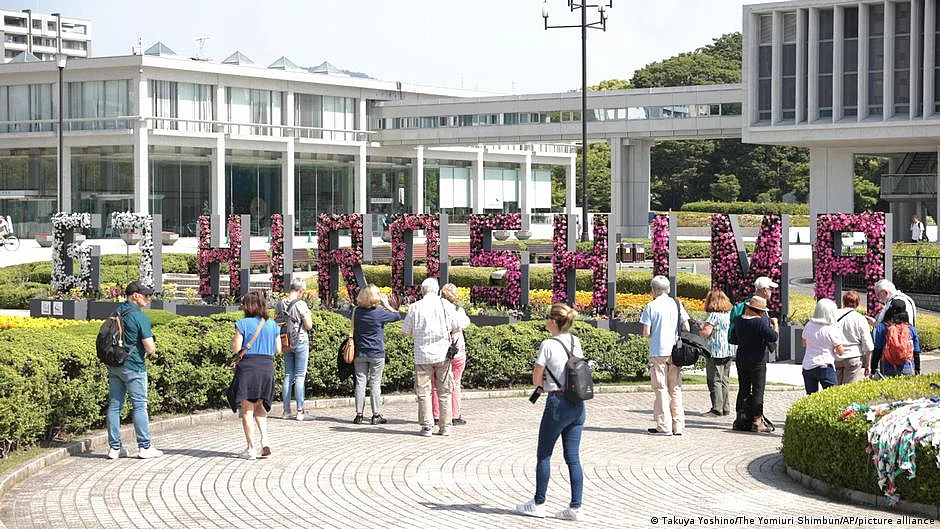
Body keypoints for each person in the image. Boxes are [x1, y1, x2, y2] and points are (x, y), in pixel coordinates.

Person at [515, 303, 585, 521]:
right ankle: (575, 507)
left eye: (547, 318)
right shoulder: (575, 341)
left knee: (544, 454)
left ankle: (539, 503)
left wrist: (539, 386)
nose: (546, 321)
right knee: (573, 457)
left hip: (557, 403)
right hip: (577, 403)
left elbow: (538, 375)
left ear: (554, 322)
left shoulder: (548, 344)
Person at [106, 281, 163, 459]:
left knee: (115, 406)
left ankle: (115, 448)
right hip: (134, 367)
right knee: (139, 405)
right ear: (135, 296)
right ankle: (145, 447)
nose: (148, 298)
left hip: (115, 365)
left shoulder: (116, 312)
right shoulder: (140, 317)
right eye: (146, 295)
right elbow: (150, 348)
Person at [402, 278, 460, 437]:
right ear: (437, 290)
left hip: (422, 355)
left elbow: (406, 331)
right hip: (443, 354)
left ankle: (427, 426)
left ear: (422, 291)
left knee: (423, 392)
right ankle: (445, 426)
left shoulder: (415, 307)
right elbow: (456, 326)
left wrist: (419, 333)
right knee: (444, 392)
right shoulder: (446, 305)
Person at [231, 291, 281, 460]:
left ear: (248, 306)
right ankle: (265, 439)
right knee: (260, 406)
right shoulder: (273, 325)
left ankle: (251, 449)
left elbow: (236, 348)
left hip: (249, 368)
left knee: (247, 410)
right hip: (267, 367)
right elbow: (278, 350)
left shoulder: (242, 323)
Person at [640, 275, 689, 436]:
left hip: (658, 351)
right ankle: (678, 425)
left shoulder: (651, 306)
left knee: (661, 388)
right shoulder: (676, 304)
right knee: (675, 388)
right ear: (667, 289)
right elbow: (686, 326)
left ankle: (664, 425)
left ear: (653, 290)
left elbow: (646, 333)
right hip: (675, 351)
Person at [352, 284, 401, 425]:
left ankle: (359, 414)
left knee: (360, 383)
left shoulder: (357, 311)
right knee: (375, 383)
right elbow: (397, 316)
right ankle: (376, 414)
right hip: (376, 352)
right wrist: (387, 304)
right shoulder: (379, 313)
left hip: (360, 351)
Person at [732, 295, 778, 433]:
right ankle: (757, 421)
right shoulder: (760, 323)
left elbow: (734, 336)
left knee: (743, 389)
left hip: (741, 358)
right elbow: (773, 337)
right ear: (760, 311)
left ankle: (740, 417)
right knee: (758, 390)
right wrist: (775, 324)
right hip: (757, 360)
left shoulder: (739, 320)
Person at [432, 283, 471, 426]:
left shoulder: (436, 311)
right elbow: (465, 323)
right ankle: (455, 415)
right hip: (458, 350)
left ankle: (436, 415)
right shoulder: (458, 311)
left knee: (437, 383)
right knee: (455, 383)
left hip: (440, 350)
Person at [277, 278, 313, 421]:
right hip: (300, 340)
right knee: (299, 376)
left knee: (288, 375)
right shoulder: (301, 304)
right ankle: (300, 411)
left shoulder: (280, 303)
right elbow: (309, 325)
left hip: (285, 341)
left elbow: (277, 322)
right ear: (300, 291)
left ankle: (286, 410)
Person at [869, 279, 919, 375]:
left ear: (885, 292)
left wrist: (873, 369)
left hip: (890, 359)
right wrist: (917, 370)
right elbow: (916, 350)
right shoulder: (907, 300)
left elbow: (878, 348)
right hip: (907, 360)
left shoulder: (894, 302)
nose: (879, 299)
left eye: (879, 295)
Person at [699, 289, 734, 416]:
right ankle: (725, 407)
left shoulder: (714, 316)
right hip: (728, 350)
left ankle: (716, 408)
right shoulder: (729, 314)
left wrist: (700, 331)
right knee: (725, 379)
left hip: (715, 351)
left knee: (714, 380)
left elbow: (706, 332)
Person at [801, 299, 845, 395]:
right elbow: (840, 351)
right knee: (832, 396)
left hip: (808, 365)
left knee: (811, 397)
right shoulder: (831, 329)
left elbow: (804, 343)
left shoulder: (809, 325)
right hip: (825, 366)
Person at [833, 291, 874, 384]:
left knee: (834, 389)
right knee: (848, 389)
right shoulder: (860, 318)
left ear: (843, 302)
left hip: (836, 355)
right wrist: (868, 365)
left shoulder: (834, 315)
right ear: (857, 303)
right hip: (853, 356)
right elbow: (868, 344)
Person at [728, 276, 778, 344]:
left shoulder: (751, 303)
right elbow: (772, 336)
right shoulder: (755, 307)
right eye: (771, 289)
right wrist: (774, 324)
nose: (772, 291)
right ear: (765, 290)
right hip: (755, 348)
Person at [873, 304, 920, 377]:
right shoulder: (911, 329)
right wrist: (917, 370)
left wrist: (873, 369)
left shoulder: (882, 327)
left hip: (887, 367)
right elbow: (916, 352)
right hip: (908, 366)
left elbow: (877, 350)